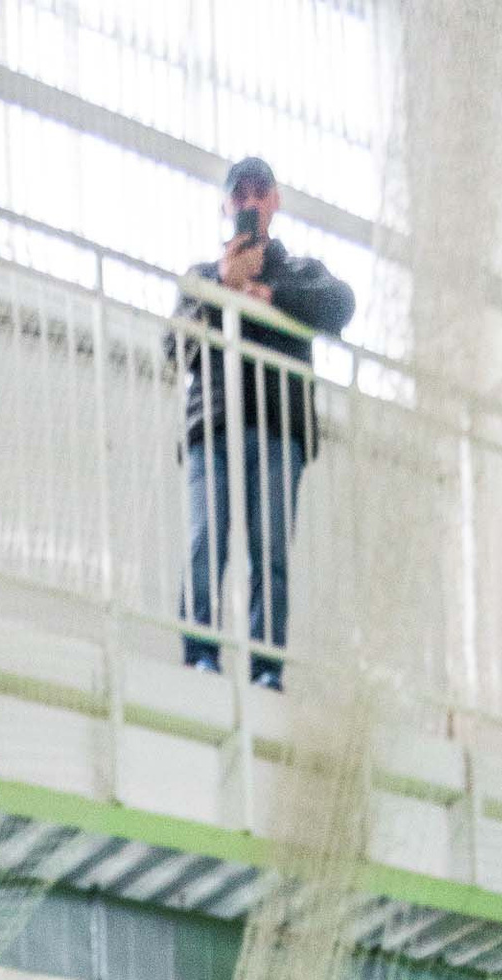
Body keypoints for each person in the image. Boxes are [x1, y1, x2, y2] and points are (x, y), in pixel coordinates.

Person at [171, 158, 356, 689]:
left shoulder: (300, 273)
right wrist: (223, 290)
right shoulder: (204, 278)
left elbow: (341, 304)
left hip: (279, 431)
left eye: (260, 193)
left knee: (270, 550)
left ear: (274, 203)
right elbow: (175, 347)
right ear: (227, 206)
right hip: (214, 427)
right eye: (241, 194)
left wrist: (270, 296)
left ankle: (266, 667)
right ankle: (200, 652)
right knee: (207, 539)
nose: (250, 203)